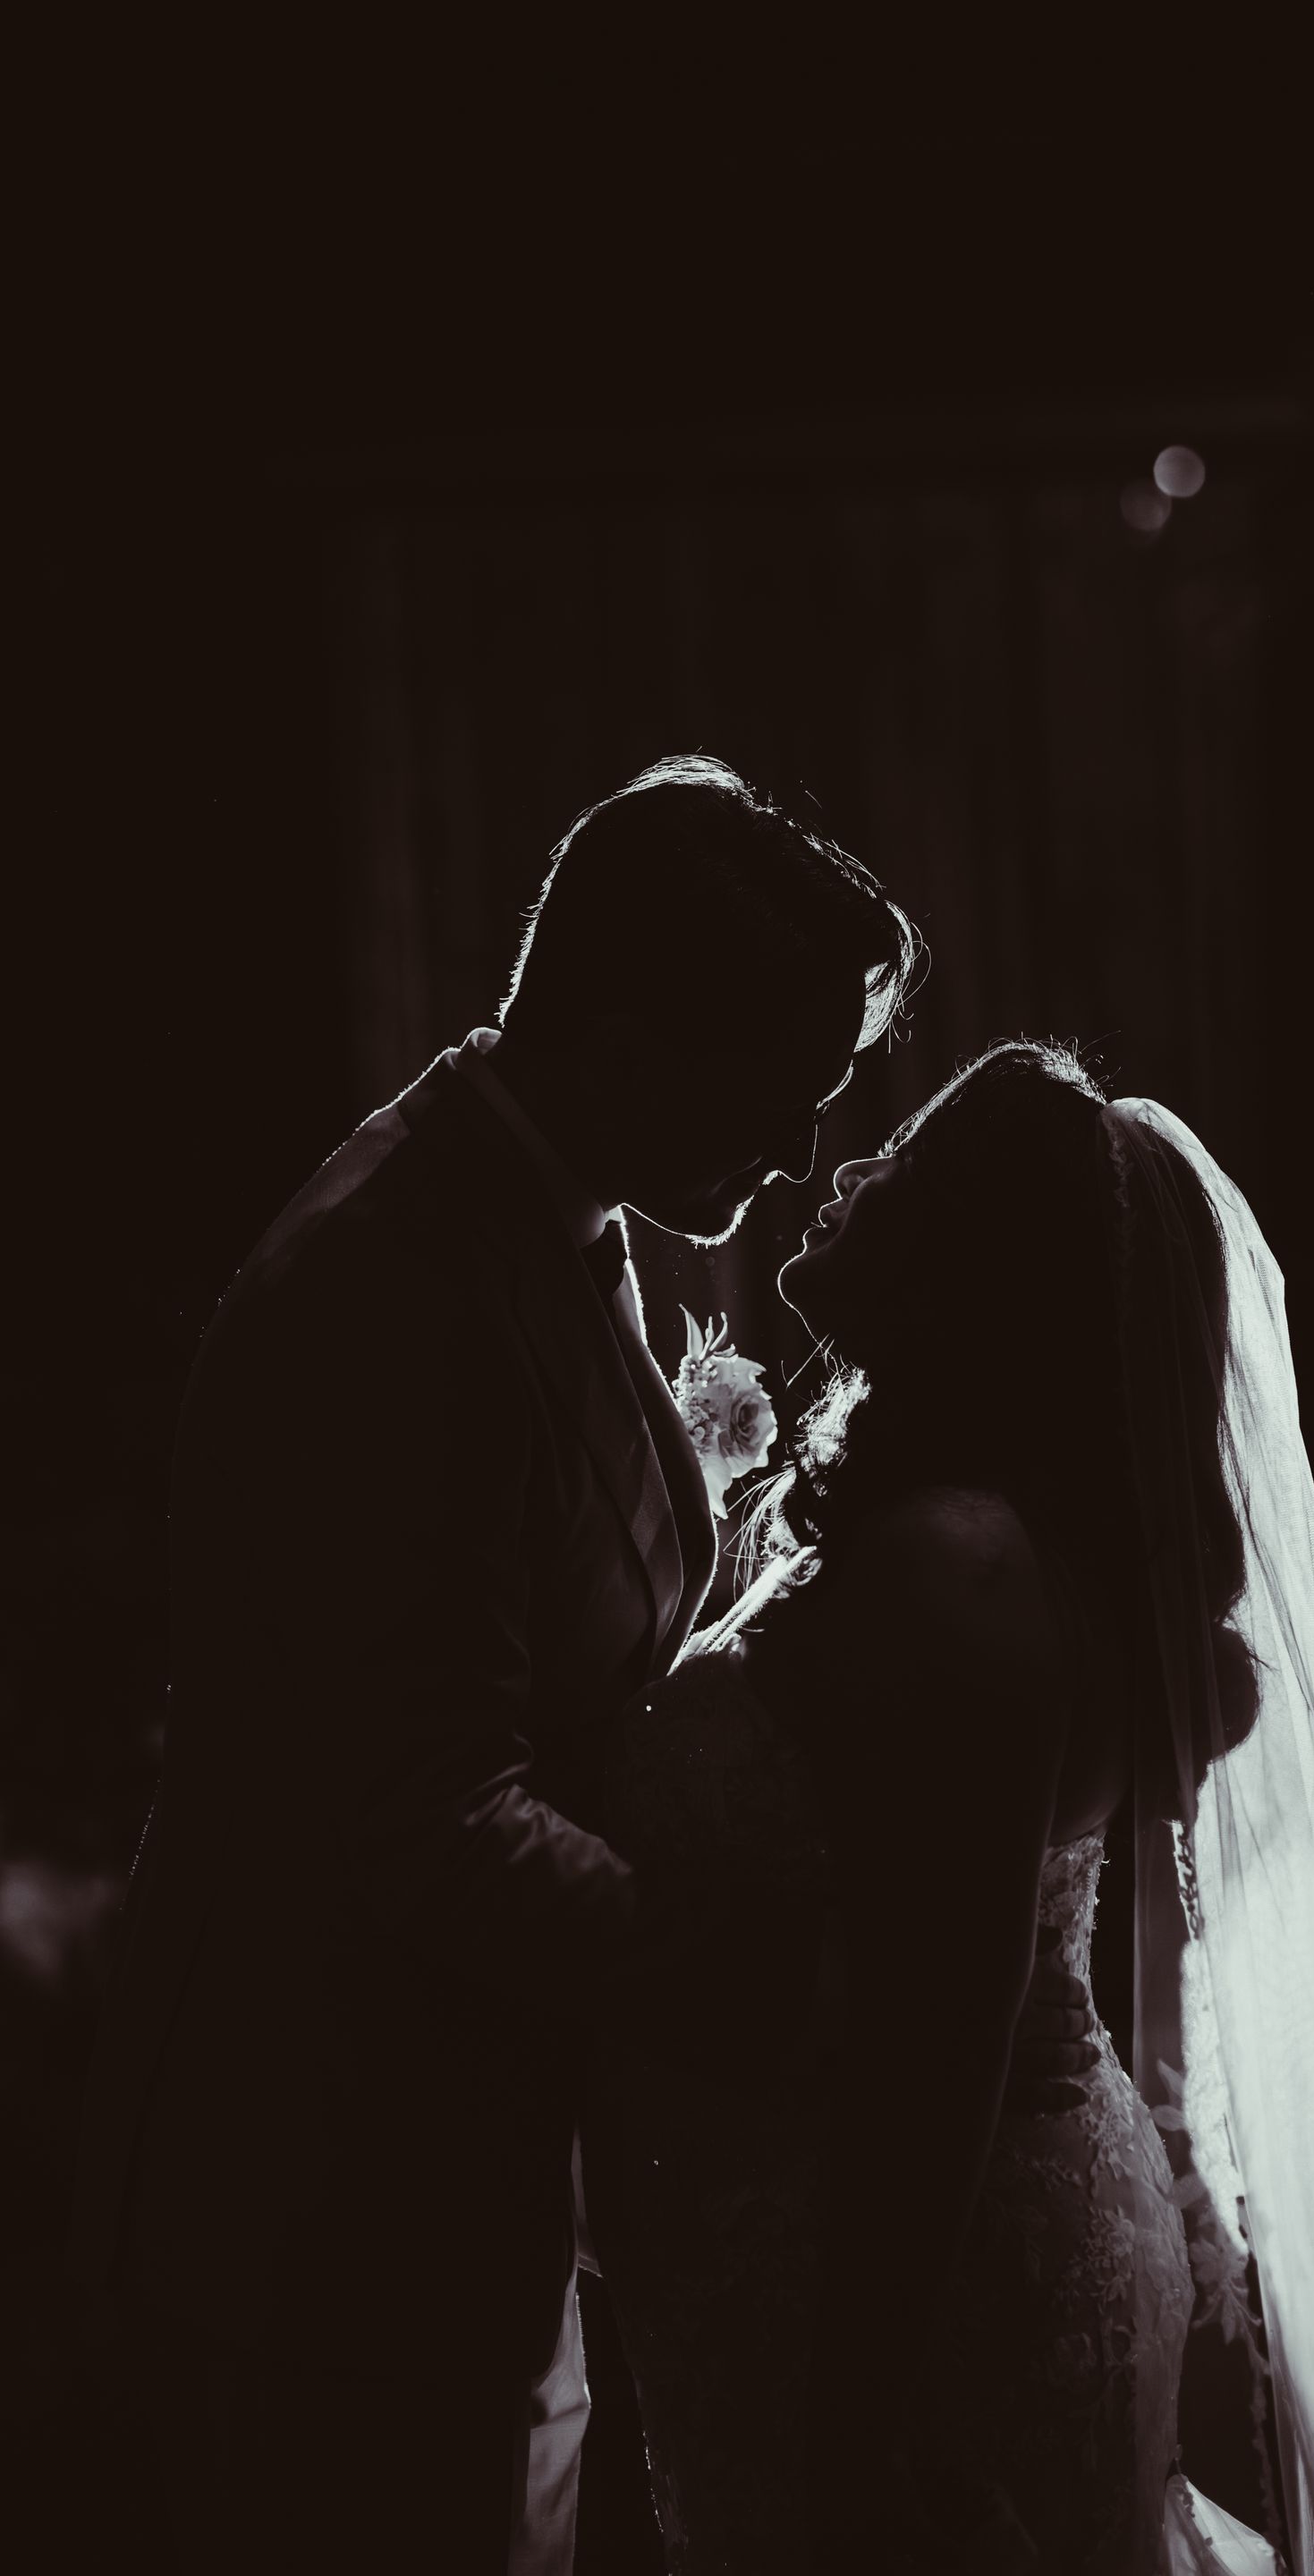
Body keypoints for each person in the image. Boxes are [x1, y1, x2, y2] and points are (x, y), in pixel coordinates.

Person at [69, 758, 1104, 2576]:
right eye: (778, 1091)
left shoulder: (565, 1217)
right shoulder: (388, 1293)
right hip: (322, 2203)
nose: (797, 1156)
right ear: (630, 1036)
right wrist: (767, 1990)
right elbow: (435, 1814)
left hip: (467, 2186)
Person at [579, 1038, 1314, 2575]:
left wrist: (856, 2437)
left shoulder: (960, 1572)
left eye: (907, 1166)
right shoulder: (955, 1545)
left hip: (926, 2293)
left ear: (977, 1266)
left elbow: (938, 2034)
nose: (852, 1173)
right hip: (851, 2244)